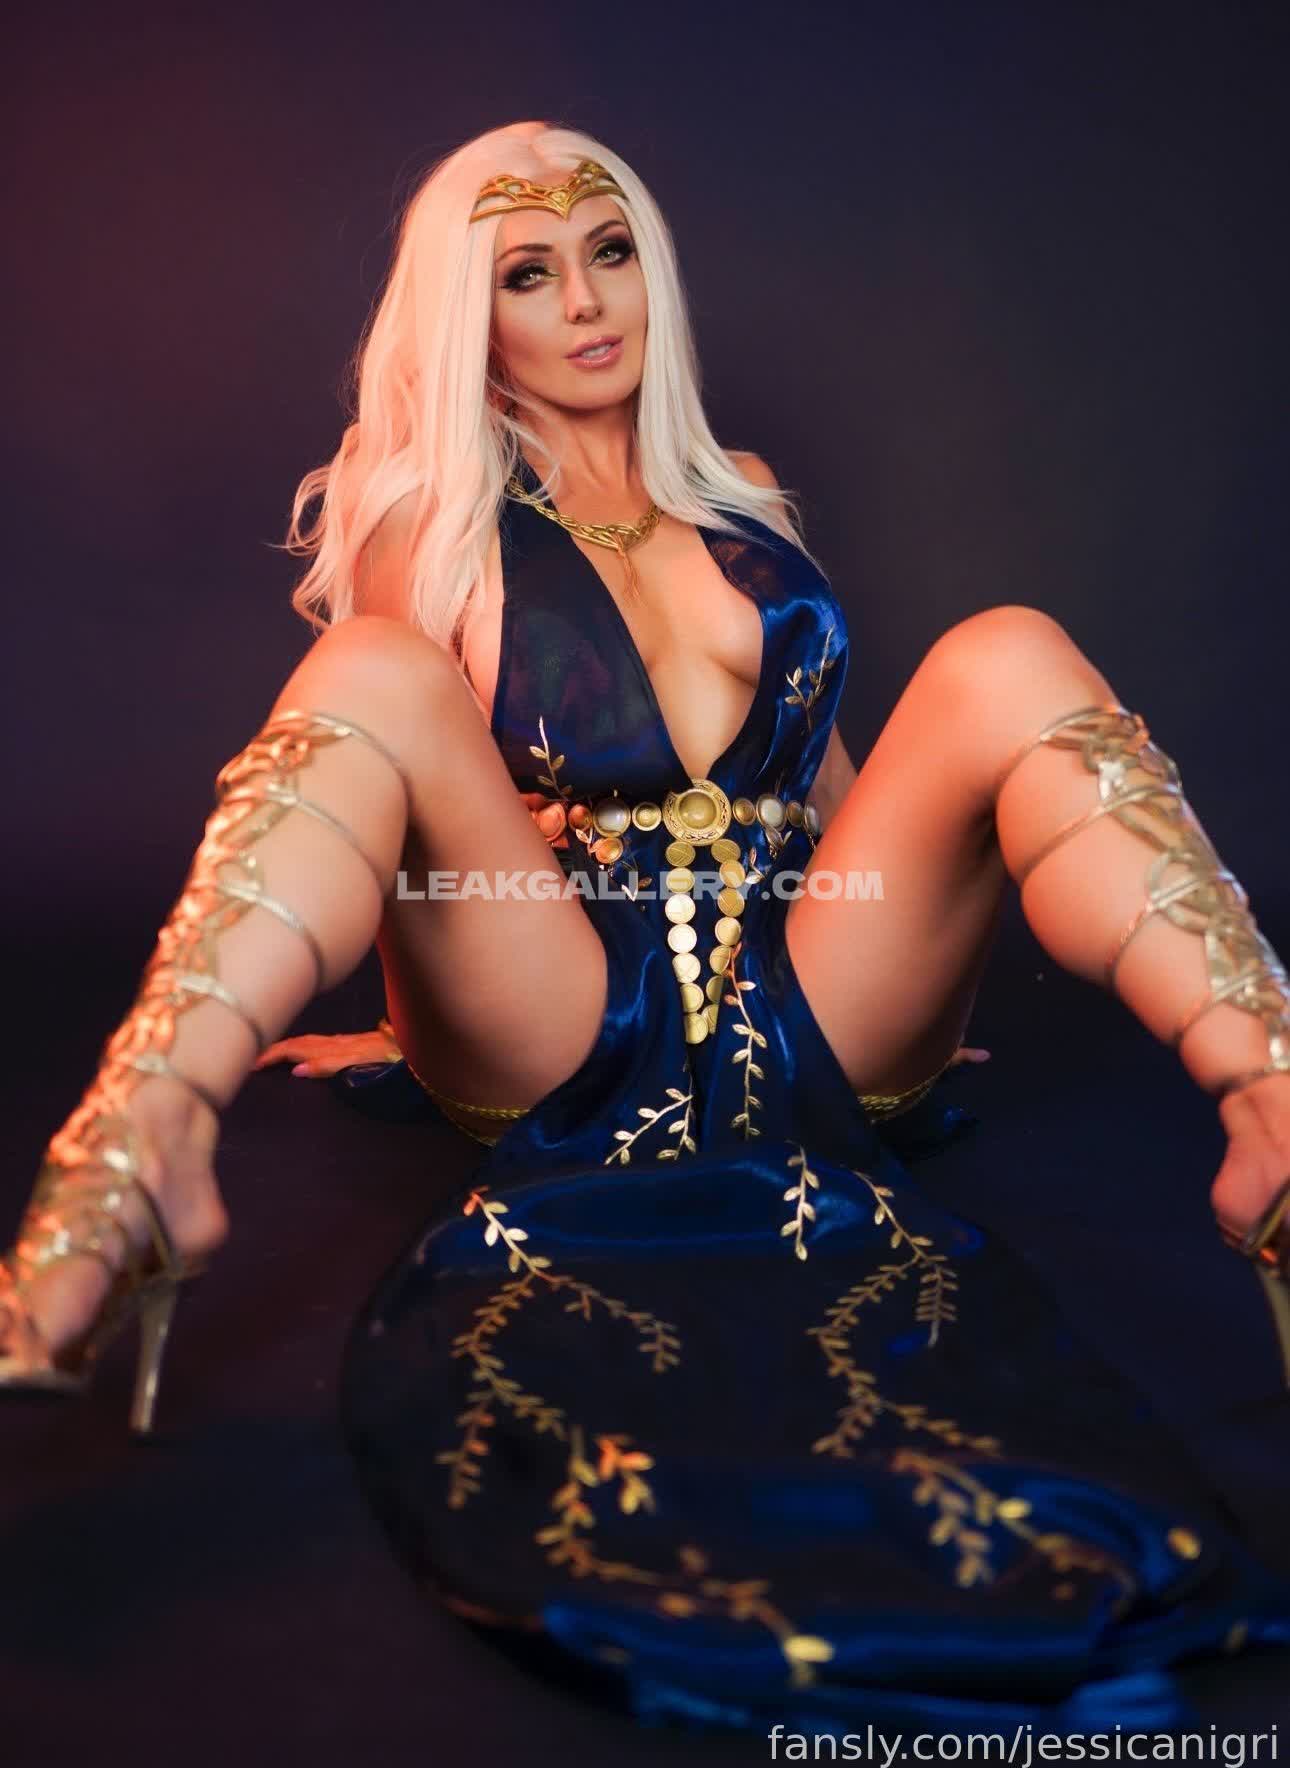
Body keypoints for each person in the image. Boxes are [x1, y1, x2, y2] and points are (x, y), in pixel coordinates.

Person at [4, 118, 1290, 1737]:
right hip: (562, 1003)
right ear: (466, 314)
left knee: (1008, 652)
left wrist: (901, 924)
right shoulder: (429, 524)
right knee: (369, 675)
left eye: (608, 254)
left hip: (802, 992)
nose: (584, 301)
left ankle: (1271, 1106)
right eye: (527, 274)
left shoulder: (739, 496)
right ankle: (141, 1144)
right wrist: (408, 1023)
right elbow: (404, 804)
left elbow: (829, 780)